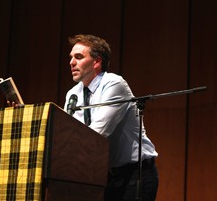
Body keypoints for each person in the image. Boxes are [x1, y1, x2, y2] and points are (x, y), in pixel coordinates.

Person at [64, 34, 159, 201]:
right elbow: (66, 131)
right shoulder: (73, 94)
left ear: (97, 62)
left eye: (78, 57)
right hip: (104, 175)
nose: (71, 62)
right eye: (71, 57)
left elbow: (97, 134)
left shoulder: (114, 84)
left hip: (135, 174)